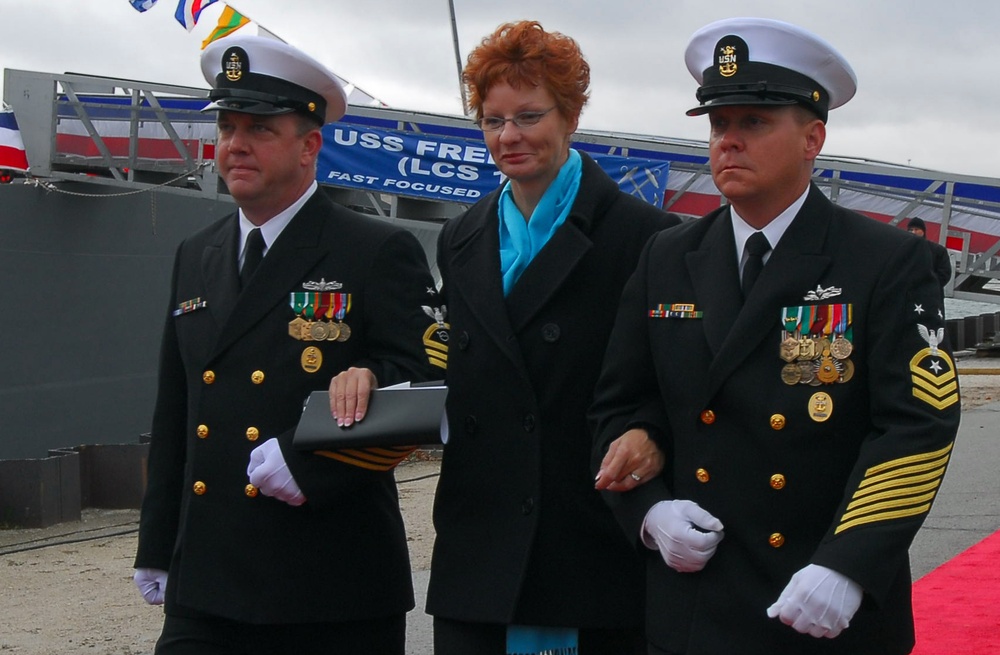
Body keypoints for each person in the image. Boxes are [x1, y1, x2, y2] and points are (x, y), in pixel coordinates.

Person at [590, 17, 961, 655]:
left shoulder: (886, 261)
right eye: (718, 125)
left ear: (813, 137)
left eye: (753, 124)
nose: (728, 142)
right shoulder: (668, 257)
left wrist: (849, 563)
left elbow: (917, 425)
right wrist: (648, 512)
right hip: (694, 605)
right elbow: (620, 403)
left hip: (822, 603)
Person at [132, 35, 444, 655]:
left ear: (309, 145)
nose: (235, 144)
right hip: (209, 580)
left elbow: (426, 386)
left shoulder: (373, 251)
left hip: (326, 583)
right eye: (227, 126)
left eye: (260, 128)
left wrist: (311, 466)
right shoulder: (198, 255)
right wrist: (158, 544)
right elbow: (177, 412)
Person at [425, 20, 679, 655]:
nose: (508, 137)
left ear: (571, 116)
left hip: (586, 535)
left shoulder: (646, 239)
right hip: (479, 540)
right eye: (492, 120)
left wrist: (650, 433)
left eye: (529, 116)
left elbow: (674, 378)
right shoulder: (460, 238)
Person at [906, 216, 953, 289]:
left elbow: (944, 274)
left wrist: (929, 286)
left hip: (929, 295)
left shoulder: (938, 250)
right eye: (911, 230)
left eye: (916, 229)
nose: (913, 232)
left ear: (923, 231)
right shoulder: (904, 249)